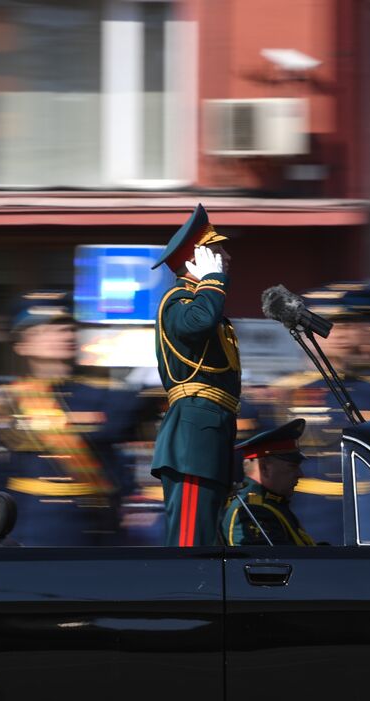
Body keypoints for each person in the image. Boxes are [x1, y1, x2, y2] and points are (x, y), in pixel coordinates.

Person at [267, 285, 370, 543]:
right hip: (307, 516)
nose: (340, 332)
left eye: (349, 323)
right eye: (329, 322)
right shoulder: (285, 393)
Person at [0, 290, 138, 546]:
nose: (64, 335)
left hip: (92, 524)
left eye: (67, 328)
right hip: (30, 524)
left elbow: (118, 464)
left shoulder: (107, 395)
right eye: (47, 330)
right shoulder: (6, 399)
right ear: (22, 344)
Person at [150, 204, 240, 546]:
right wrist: (213, 281)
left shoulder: (203, 301)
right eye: (216, 252)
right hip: (192, 441)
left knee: (207, 541)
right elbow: (197, 324)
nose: (226, 257)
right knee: (190, 544)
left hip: (208, 436)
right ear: (195, 262)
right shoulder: (178, 300)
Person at [221, 418, 316, 545]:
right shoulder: (251, 511)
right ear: (264, 468)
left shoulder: (273, 505)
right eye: (292, 467)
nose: (300, 474)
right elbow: (270, 561)